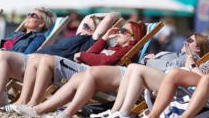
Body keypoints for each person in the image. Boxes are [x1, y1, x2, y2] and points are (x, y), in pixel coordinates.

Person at [13, 34, 209, 118]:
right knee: (84, 75)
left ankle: (65, 113)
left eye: (191, 41)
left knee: (91, 73)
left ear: (199, 48)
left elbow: (190, 79)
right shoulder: (170, 53)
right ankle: (40, 108)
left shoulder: (192, 63)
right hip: (133, 71)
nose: (186, 42)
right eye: (187, 38)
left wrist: (191, 63)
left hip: (143, 77)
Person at [0, 12, 121, 110]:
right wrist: (91, 16)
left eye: (87, 26)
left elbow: (111, 17)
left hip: (41, 66)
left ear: (95, 31)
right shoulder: (74, 37)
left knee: (3, 56)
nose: (82, 27)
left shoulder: (90, 41)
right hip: (31, 60)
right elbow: (87, 18)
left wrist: (103, 16)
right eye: (83, 24)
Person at [98, 29, 209, 118]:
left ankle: (122, 113)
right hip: (181, 85)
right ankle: (118, 111)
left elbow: (207, 79)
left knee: (136, 68)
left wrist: (191, 66)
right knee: (132, 68)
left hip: (183, 88)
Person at [11, 20, 146, 113]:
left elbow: (104, 62)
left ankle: (33, 102)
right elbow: (92, 53)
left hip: (90, 73)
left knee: (46, 60)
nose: (118, 33)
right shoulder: (114, 47)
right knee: (35, 60)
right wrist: (104, 39)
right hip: (85, 68)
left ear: (133, 38)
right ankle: (24, 101)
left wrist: (82, 56)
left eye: (123, 31)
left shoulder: (127, 50)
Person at [0, 7, 55, 107]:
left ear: (41, 23)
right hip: (2, 58)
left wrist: (4, 52)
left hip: (18, 66)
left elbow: (28, 56)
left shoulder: (38, 37)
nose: (28, 17)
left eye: (33, 15)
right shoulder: (17, 34)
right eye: (28, 14)